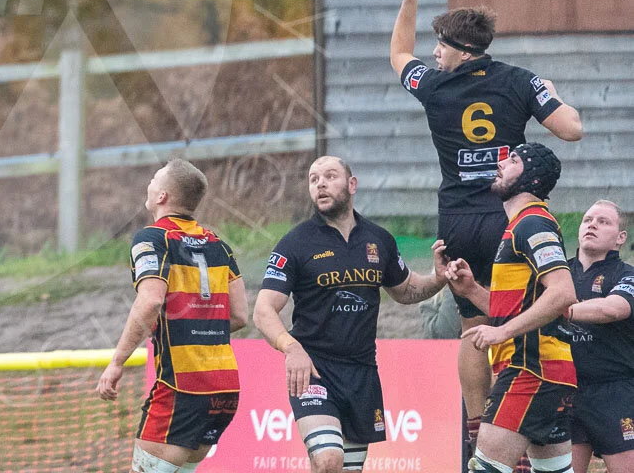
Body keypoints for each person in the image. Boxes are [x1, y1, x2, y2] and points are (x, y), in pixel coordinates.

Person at [391, 0, 583, 436]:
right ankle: (519, 422)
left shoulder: (434, 86)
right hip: (510, 219)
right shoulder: (520, 80)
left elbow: (398, 55)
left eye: (441, 45)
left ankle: (479, 425)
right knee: (522, 321)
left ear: (461, 50)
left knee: (470, 325)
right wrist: (552, 92)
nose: (435, 52)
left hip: (457, 219)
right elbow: (571, 130)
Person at [252, 156, 452, 473]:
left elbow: (406, 291)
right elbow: (263, 310)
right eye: (313, 178)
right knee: (329, 460)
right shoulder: (295, 243)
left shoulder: (379, 240)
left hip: (361, 374)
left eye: (330, 176)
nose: (320, 183)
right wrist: (291, 348)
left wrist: (438, 279)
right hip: (314, 371)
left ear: (352, 184)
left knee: (348, 469)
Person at [96, 159, 248, 473]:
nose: (148, 184)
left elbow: (150, 302)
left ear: (163, 196)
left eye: (154, 179)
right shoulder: (220, 245)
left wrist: (116, 362)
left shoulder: (152, 238)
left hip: (181, 387)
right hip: (223, 389)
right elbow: (239, 315)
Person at [444, 143, 578, 473]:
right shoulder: (519, 226)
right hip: (546, 372)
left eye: (514, 160)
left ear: (532, 178)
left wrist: (502, 331)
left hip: (529, 370)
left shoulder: (532, 223)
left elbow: (563, 292)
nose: (501, 163)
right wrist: (472, 290)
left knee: (485, 468)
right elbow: (514, 308)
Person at [562, 200, 634, 473]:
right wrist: (472, 289)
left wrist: (558, 310)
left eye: (603, 221)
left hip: (615, 392)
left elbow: (612, 309)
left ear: (620, 238)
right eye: (587, 219)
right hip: (565, 391)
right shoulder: (558, 274)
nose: (592, 224)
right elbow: (518, 311)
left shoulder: (627, 275)